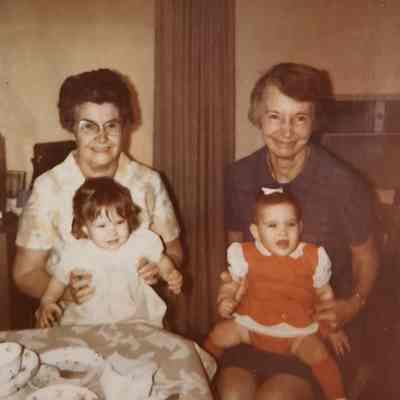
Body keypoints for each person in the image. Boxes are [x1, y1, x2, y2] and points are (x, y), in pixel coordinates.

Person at [217, 63, 379, 399]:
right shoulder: (238, 176)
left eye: (300, 118)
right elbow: (234, 247)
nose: (286, 131)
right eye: (275, 116)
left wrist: (354, 305)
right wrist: (230, 287)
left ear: (314, 121)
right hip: (257, 321)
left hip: (319, 329)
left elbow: (366, 256)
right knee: (233, 394)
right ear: (258, 117)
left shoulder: (344, 183)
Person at [13, 68, 183, 313]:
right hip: (74, 320)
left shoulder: (149, 182)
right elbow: (25, 273)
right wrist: (67, 294)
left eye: (111, 125)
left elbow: (174, 251)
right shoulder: (48, 188)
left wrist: (159, 269)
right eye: (89, 127)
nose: (102, 137)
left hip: (137, 316)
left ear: (124, 127)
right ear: (72, 128)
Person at [205, 189, 348, 400]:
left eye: (290, 224)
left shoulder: (313, 257)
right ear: (255, 231)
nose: (282, 233)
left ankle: (338, 396)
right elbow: (231, 284)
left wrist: (332, 327)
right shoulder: (245, 254)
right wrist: (225, 298)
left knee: (319, 354)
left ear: (300, 227)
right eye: (272, 225)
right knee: (219, 333)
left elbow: (325, 295)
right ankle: (199, 377)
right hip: (251, 326)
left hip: (296, 334)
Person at [35, 177, 183, 328]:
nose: (112, 231)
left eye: (119, 222)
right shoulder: (77, 252)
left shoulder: (139, 242)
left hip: (136, 319)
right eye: (102, 226)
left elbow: (161, 260)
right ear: (85, 228)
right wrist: (47, 301)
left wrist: (170, 273)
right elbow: (58, 281)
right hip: (89, 322)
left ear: (128, 219)